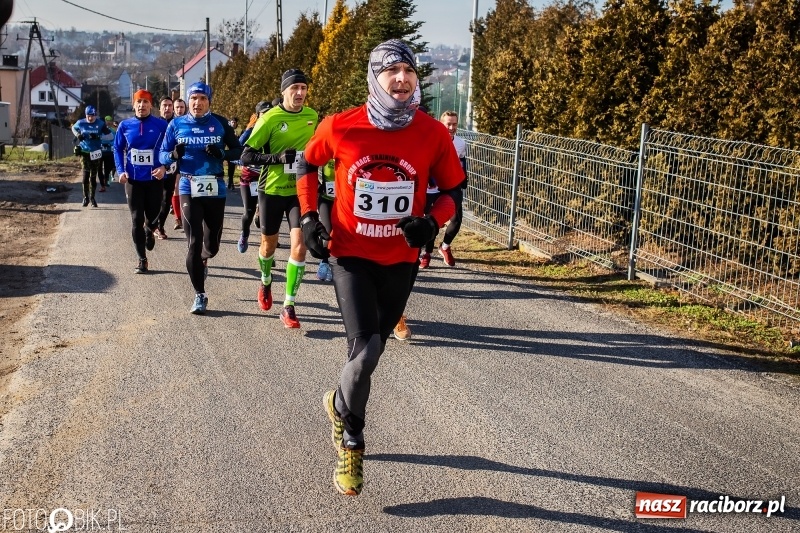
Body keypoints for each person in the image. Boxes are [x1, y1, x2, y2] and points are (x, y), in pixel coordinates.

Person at [297, 40, 463, 496]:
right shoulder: (342, 126)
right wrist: (310, 217)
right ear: (375, 76)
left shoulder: (432, 133)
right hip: (351, 256)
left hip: (399, 262)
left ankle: (337, 401)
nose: (402, 78)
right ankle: (352, 445)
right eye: (392, 70)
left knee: (372, 354)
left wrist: (431, 221)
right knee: (364, 353)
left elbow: (453, 191)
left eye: (409, 71)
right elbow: (305, 165)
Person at [240, 69, 319, 328]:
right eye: (294, 88)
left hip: (300, 190)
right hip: (271, 190)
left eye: (303, 88)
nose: (299, 93)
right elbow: (246, 157)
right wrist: (276, 158)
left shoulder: (312, 116)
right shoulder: (270, 119)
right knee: (269, 247)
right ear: (284, 91)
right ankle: (265, 281)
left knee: (300, 245)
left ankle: (289, 305)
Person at [158, 82, 242, 314]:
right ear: (188, 101)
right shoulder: (176, 124)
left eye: (202, 99)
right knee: (193, 243)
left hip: (215, 186)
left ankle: (205, 258)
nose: (197, 103)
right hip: (188, 185)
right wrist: (173, 155)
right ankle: (199, 294)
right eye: (193, 98)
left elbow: (239, 150)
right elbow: (162, 155)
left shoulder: (220, 123)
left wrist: (222, 153)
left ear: (209, 102)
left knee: (211, 244)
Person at [114, 89, 168, 274]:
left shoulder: (161, 125)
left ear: (151, 105)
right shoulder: (125, 126)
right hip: (133, 180)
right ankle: (142, 260)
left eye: (145, 102)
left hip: (154, 178)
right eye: (139, 102)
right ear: (133, 105)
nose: (142, 105)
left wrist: (164, 167)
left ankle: (151, 229)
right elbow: (117, 149)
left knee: (153, 216)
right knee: (136, 219)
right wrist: (120, 171)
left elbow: (170, 148)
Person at [420, 110, 468, 268]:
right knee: (432, 220)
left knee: (456, 219)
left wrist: (463, 179)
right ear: (441, 124)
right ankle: (427, 253)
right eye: (448, 124)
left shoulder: (460, 143)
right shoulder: (431, 141)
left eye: (454, 124)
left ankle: (445, 246)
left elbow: (462, 161)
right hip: (432, 188)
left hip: (451, 187)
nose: (452, 127)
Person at [236, 101, 272, 253]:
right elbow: (237, 148)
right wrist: (248, 129)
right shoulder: (251, 131)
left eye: (270, 112)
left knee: (267, 215)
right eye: (264, 113)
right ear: (257, 116)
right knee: (248, 212)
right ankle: (244, 235)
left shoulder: (275, 129)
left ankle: (267, 247)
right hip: (249, 178)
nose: (267, 116)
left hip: (268, 178)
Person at [72, 105, 111, 207]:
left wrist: (98, 136)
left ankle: (93, 198)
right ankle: (86, 198)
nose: (90, 118)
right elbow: (73, 128)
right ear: (86, 115)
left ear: (95, 115)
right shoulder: (81, 122)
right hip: (85, 152)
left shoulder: (101, 124)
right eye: (89, 116)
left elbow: (110, 136)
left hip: (96, 152)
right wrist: (77, 135)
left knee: (93, 177)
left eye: (92, 116)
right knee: (85, 176)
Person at [154, 97, 178, 239]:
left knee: (166, 198)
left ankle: (160, 226)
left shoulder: (177, 124)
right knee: (154, 198)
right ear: (160, 108)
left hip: (171, 167)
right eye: (165, 105)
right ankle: (151, 221)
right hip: (156, 166)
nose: (167, 108)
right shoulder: (155, 123)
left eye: (170, 105)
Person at [99, 115, 116, 191]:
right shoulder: (98, 130)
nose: (108, 122)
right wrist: (101, 144)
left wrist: (109, 144)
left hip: (109, 151)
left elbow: (115, 141)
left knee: (108, 168)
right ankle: (102, 183)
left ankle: (106, 179)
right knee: (99, 168)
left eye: (109, 121)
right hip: (99, 152)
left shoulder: (112, 131)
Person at [227, 116, 240, 190]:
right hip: (225, 150)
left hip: (233, 151)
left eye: (235, 122)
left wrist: (237, 137)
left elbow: (242, 140)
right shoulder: (227, 129)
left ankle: (230, 182)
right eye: (232, 122)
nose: (233, 124)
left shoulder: (240, 130)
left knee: (231, 168)